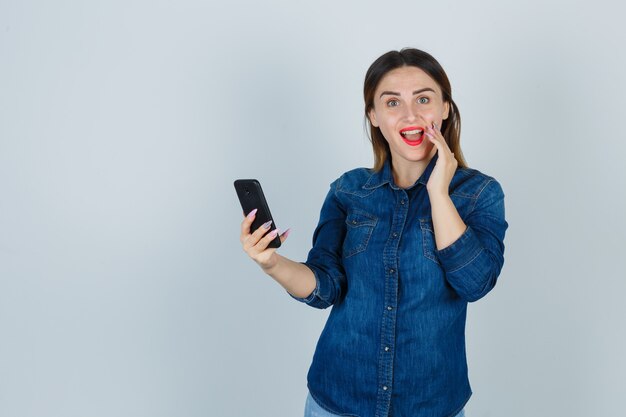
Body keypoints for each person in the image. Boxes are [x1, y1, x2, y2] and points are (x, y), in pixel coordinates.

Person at [239, 48, 508, 417]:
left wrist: (438, 192)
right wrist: (271, 263)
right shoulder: (348, 190)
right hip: (337, 400)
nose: (411, 115)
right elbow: (325, 286)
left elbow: (475, 284)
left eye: (424, 99)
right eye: (392, 102)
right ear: (374, 115)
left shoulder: (480, 193)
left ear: (445, 107)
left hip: (430, 405)